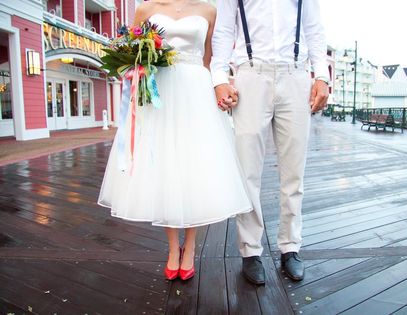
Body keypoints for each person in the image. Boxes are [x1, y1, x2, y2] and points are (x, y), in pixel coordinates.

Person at [98, 0, 252, 281]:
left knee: (194, 165)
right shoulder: (146, 8)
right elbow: (137, 53)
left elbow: (208, 59)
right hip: (161, 92)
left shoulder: (209, 10)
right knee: (164, 165)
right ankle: (172, 248)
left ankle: (190, 246)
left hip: (195, 92)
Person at [211, 0, 329, 285]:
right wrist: (219, 77)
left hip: (296, 74)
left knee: (294, 172)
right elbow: (224, 30)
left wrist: (322, 75)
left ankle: (291, 247)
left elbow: (314, 29)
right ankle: (250, 250)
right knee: (248, 171)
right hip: (250, 74)